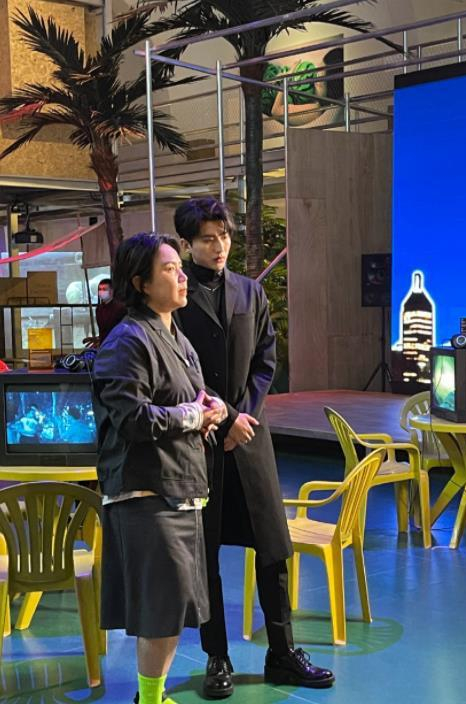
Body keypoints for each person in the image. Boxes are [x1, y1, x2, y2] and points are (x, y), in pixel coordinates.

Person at [174, 197, 334, 698]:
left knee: (272, 548)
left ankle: (282, 653)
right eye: (206, 238)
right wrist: (224, 419)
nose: (218, 245)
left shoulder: (250, 291)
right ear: (187, 244)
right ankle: (216, 656)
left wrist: (244, 415)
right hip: (202, 441)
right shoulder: (175, 296)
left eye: (223, 235)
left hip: (250, 437)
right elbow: (177, 371)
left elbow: (267, 360)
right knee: (206, 554)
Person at [92, 233, 228, 704]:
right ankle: (149, 700)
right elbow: (132, 418)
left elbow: (191, 398)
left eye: (179, 267)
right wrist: (193, 416)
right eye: (169, 268)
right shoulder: (127, 341)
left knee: (171, 609)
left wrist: (213, 409)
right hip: (147, 494)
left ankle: (152, 696)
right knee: (159, 610)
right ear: (141, 283)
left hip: (180, 489)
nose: (182, 276)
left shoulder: (177, 338)